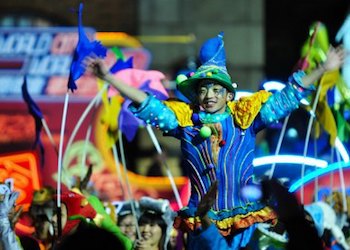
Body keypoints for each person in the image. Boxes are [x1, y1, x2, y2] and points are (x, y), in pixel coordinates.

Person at [86, 32, 345, 249]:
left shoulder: (244, 118)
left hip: (245, 223)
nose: (209, 95)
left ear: (228, 94)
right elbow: (147, 103)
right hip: (202, 223)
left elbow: (287, 97)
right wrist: (109, 77)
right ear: (196, 95)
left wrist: (323, 68)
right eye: (203, 89)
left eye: (216, 89)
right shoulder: (186, 122)